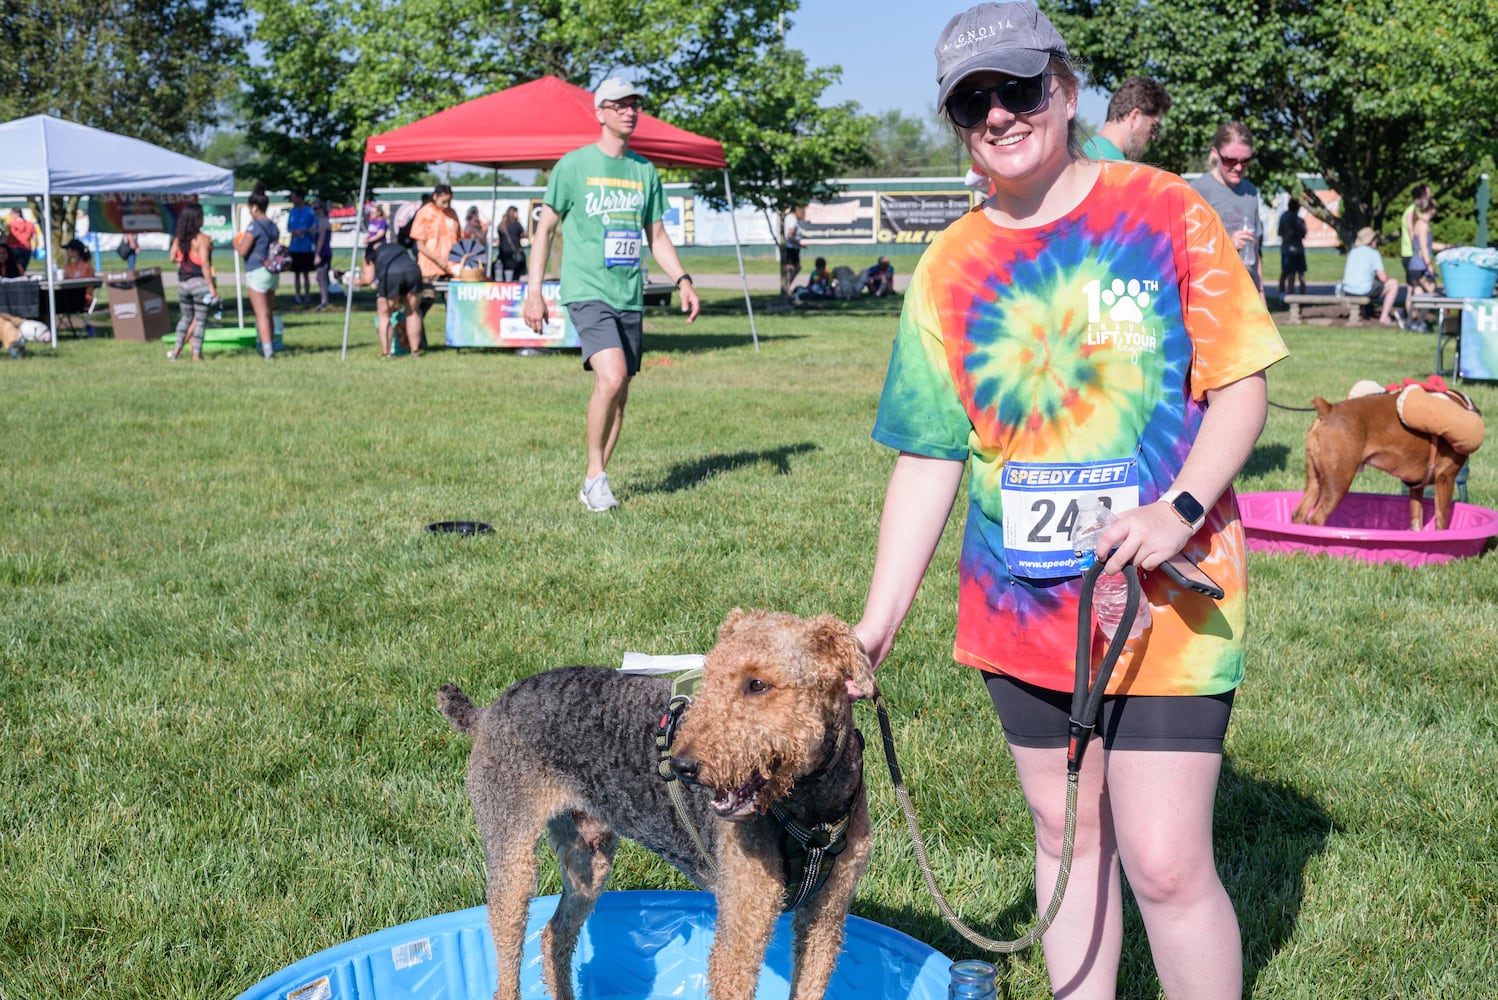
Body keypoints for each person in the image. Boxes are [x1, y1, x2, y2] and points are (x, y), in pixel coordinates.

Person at [855, 6, 1288, 999]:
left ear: (1064, 85)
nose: (1001, 114)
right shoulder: (948, 266)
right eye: (974, 102)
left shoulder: (1165, 208)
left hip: (1170, 595)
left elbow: (1241, 384)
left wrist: (1176, 508)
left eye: (1019, 88)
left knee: (1168, 862)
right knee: (1063, 833)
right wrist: (878, 623)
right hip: (1020, 606)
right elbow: (929, 458)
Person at [521, 77, 700, 513]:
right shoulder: (573, 166)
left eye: (634, 104)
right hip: (587, 290)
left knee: (620, 395)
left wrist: (683, 280)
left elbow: (656, 237)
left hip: (628, 295)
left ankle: (594, 480)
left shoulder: (644, 171)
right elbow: (544, 230)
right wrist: (535, 292)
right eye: (619, 105)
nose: (629, 111)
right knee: (612, 376)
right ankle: (596, 476)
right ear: (599, 112)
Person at [1191, 121, 1264, 295]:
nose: (1238, 167)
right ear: (1215, 153)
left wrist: (1261, 299)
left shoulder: (1251, 192)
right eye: (1231, 160)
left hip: (1247, 296)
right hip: (1214, 296)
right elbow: (1188, 255)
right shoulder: (1198, 191)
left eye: (1245, 161)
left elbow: (1256, 253)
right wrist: (1228, 246)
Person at [341, 240, 424, 358]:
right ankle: (415, 351)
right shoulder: (397, 246)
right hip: (413, 271)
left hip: (391, 274)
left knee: (384, 314)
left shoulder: (369, 253)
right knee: (412, 312)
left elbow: (368, 279)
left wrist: (351, 281)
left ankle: (387, 352)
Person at [167, 204, 218, 360]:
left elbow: (172, 258)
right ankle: (196, 354)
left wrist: (183, 260)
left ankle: (176, 350)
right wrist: (211, 287)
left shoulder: (179, 238)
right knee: (200, 321)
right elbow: (205, 265)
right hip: (199, 284)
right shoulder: (202, 239)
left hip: (183, 284)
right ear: (197, 219)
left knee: (185, 318)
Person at [235, 182, 280, 359]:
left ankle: (268, 351)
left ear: (254, 208)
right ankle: (269, 345)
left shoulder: (254, 227)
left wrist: (235, 243)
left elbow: (243, 250)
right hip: (272, 272)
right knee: (268, 312)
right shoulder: (273, 226)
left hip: (257, 271)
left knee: (261, 314)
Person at [1081, 75, 1171, 162]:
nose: (1153, 137)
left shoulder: (1086, 153)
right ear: (1135, 118)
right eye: (1153, 127)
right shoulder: (1115, 168)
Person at [409, 184, 462, 317]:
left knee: (453, 304)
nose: (446, 205)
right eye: (443, 201)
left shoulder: (452, 213)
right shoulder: (424, 213)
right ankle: (414, 334)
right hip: (429, 268)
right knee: (425, 301)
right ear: (435, 197)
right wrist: (438, 260)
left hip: (450, 267)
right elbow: (420, 245)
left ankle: (452, 336)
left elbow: (458, 238)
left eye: (449, 202)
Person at [1341, 226, 1402, 327]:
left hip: (1347, 290)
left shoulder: (1352, 252)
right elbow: (1382, 277)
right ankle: (1384, 317)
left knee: (1368, 284)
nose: (1376, 241)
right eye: (1375, 239)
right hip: (1362, 290)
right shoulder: (1373, 253)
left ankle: (1365, 312)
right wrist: (1385, 280)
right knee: (1393, 284)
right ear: (1371, 240)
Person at [285, 190, 317, 309]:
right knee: (296, 274)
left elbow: (314, 227)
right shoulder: (293, 211)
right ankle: (297, 295)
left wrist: (303, 231)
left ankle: (307, 295)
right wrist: (294, 232)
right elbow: (288, 227)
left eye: (294, 197)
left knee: (306, 273)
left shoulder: (309, 212)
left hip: (306, 247)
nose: (293, 200)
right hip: (295, 247)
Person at [61, 238, 97, 336]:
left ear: (75, 251)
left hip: (83, 299)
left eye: (68, 249)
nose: (67, 252)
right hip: (69, 297)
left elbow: (84, 285)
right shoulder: (69, 266)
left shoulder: (87, 267)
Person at [1398, 183, 1432, 285]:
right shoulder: (1412, 212)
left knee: (1413, 288)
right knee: (1417, 287)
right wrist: (1421, 253)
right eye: (1428, 195)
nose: (1430, 197)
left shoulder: (1417, 211)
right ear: (1422, 196)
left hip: (1414, 255)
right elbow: (1412, 233)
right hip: (1411, 255)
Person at [1277, 196, 1308, 297]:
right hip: (1298, 249)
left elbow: (1279, 232)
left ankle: (1284, 297)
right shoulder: (1299, 220)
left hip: (1286, 249)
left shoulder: (1283, 217)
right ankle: (1301, 298)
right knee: (1300, 274)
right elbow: (1303, 234)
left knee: (1287, 274)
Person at [313, 199, 334, 311]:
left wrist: (317, 254)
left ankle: (324, 301)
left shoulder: (323, 221)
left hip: (323, 253)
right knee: (320, 277)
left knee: (322, 277)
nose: (314, 211)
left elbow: (321, 239)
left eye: (316, 208)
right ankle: (324, 299)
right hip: (324, 252)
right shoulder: (320, 221)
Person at [496, 206, 527, 281]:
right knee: (515, 278)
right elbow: (524, 234)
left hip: (503, 254)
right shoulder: (517, 225)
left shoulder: (501, 226)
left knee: (505, 277)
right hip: (514, 255)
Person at [783, 205, 806, 295]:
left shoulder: (793, 219)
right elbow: (790, 235)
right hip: (791, 248)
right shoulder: (792, 219)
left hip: (794, 248)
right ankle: (787, 287)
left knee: (795, 267)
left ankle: (787, 286)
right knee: (792, 268)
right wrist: (799, 244)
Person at [6, 208, 37, 272]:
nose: (11, 216)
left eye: (12, 214)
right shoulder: (30, 224)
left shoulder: (11, 224)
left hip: (13, 248)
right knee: (22, 268)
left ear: (17, 214)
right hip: (26, 248)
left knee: (13, 269)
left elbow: (6, 236)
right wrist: (35, 249)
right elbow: (35, 237)